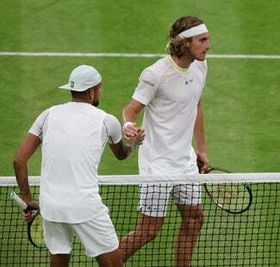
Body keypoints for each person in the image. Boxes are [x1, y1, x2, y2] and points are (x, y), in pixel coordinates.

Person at [13, 65, 144, 267]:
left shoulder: (47, 114)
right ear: (92, 91)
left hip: (51, 206)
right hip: (85, 206)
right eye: (99, 88)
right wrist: (133, 144)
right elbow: (121, 154)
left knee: (59, 260)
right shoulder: (107, 121)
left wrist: (27, 198)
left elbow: (19, 160)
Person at [118, 16, 211, 266]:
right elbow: (131, 109)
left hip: (185, 161)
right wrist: (129, 127)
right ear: (186, 42)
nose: (208, 45)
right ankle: (109, 263)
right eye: (202, 40)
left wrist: (201, 150)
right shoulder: (155, 74)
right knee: (149, 230)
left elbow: (196, 104)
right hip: (157, 164)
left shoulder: (201, 66)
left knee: (194, 219)